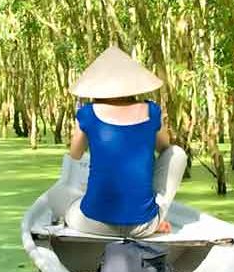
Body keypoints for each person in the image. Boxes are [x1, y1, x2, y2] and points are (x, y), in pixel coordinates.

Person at [59, 46, 188, 238]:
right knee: (177, 154)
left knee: (64, 204)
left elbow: (75, 155)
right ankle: (156, 217)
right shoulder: (152, 112)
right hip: (143, 226)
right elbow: (164, 149)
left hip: (92, 223)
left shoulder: (86, 114)